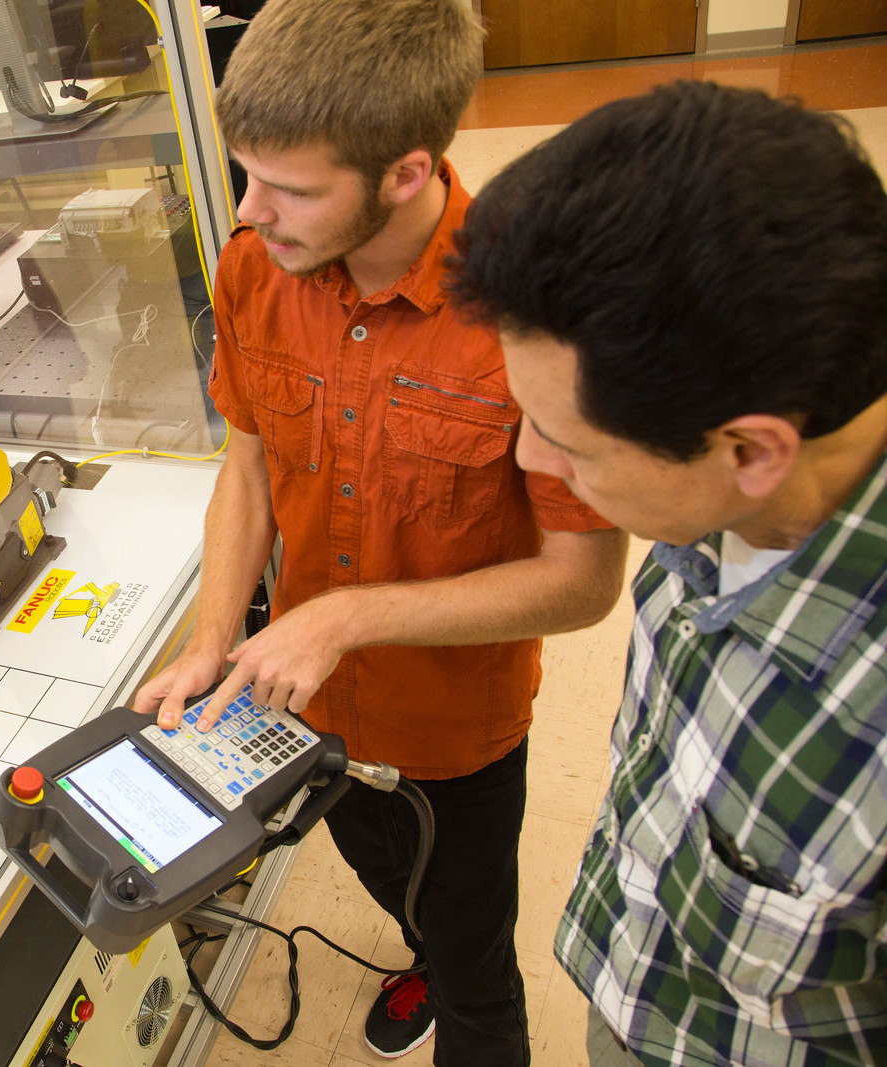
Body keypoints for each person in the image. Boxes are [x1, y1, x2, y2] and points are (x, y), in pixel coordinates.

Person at [131, 0, 630, 1060]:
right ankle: (421, 953)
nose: (253, 210)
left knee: (477, 966)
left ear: (406, 171)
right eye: (246, 173)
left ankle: (449, 977)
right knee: (391, 885)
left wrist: (350, 615)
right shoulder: (253, 264)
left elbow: (582, 581)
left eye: (293, 188)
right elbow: (250, 460)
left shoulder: (530, 317)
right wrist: (213, 635)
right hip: (299, 707)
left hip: (451, 727)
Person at [448, 80, 887, 1066]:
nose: (526, 461)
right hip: (653, 993)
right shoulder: (717, 479)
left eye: (570, 444)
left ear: (751, 449)